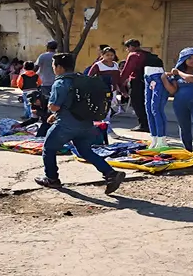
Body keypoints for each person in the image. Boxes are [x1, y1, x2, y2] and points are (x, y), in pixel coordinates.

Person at [35, 53, 125, 193]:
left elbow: (54, 106)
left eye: (54, 66)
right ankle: (110, 174)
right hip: (86, 124)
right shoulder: (82, 79)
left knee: (48, 148)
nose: (53, 68)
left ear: (59, 67)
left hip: (66, 125)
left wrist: (51, 109)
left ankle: (52, 179)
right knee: (85, 151)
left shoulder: (60, 83)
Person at [118, 39, 149, 132]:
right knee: (145, 103)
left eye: (127, 48)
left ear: (131, 47)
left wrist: (120, 81)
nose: (127, 50)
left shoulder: (133, 55)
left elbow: (127, 69)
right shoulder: (147, 54)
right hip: (148, 82)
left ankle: (143, 124)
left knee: (137, 103)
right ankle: (149, 123)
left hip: (137, 81)